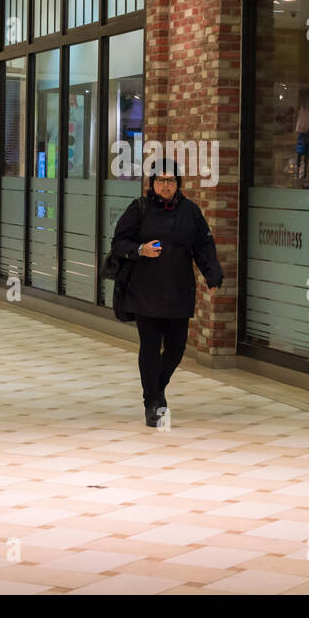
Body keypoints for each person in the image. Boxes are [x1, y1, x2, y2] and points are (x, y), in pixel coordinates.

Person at [111, 160, 223, 427]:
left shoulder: (190, 211)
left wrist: (212, 274)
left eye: (170, 181)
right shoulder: (139, 209)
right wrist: (140, 250)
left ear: (178, 184)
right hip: (145, 291)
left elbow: (203, 245)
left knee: (176, 348)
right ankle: (152, 402)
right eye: (160, 180)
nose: (165, 185)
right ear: (152, 183)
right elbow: (118, 243)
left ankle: (157, 386)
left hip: (178, 290)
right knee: (150, 347)